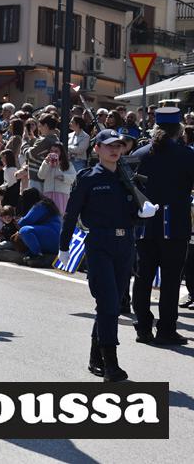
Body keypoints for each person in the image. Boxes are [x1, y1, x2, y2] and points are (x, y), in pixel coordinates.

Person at [58, 129, 155, 383]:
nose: (115, 149)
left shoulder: (128, 178)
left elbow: (134, 214)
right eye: (109, 145)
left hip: (125, 246)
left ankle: (95, 356)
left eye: (119, 145)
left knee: (109, 304)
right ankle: (111, 363)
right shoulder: (88, 178)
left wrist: (143, 213)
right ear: (97, 149)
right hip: (100, 244)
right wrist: (63, 246)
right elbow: (71, 214)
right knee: (109, 303)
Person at [131, 106, 194, 346]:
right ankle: (166, 329)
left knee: (143, 278)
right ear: (179, 129)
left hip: (145, 226)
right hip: (175, 225)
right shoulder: (186, 154)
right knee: (170, 281)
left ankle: (143, 327)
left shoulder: (140, 153)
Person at [37, 144, 77, 214]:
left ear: (61, 153)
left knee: (59, 215)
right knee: (47, 215)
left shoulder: (68, 164)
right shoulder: (46, 163)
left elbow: (73, 178)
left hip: (62, 194)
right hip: (48, 192)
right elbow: (41, 176)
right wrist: (46, 163)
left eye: (56, 151)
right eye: (51, 151)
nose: (53, 153)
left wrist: (63, 177)